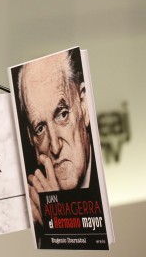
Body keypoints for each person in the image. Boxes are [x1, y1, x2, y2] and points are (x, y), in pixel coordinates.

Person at [15, 48, 95, 227]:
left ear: (83, 104)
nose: (55, 147)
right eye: (40, 128)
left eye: (62, 115)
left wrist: (57, 220)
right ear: (31, 139)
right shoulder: (33, 204)